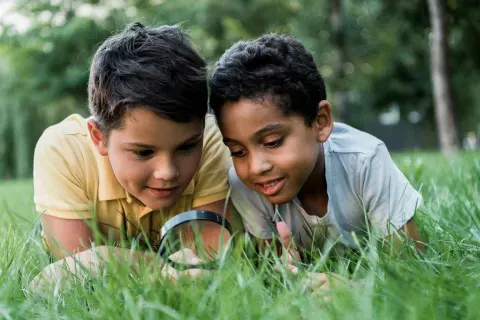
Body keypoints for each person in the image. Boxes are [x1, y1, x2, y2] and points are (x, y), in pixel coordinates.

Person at [31, 22, 237, 290]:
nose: (168, 172)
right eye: (143, 152)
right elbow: (75, 271)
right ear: (98, 137)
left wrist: (105, 258)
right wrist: (165, 268)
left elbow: (211, 263)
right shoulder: (62, 150)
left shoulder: (211, 139)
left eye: (186, 147)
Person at [209, 34, 424, 290]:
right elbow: (276, 271)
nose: (256, 167)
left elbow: (413, 269)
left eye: (273, 142)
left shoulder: (365, 160)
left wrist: (354, 290)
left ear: (321, 122)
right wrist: (287, 277)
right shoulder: (245, 185)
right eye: (238, 151)